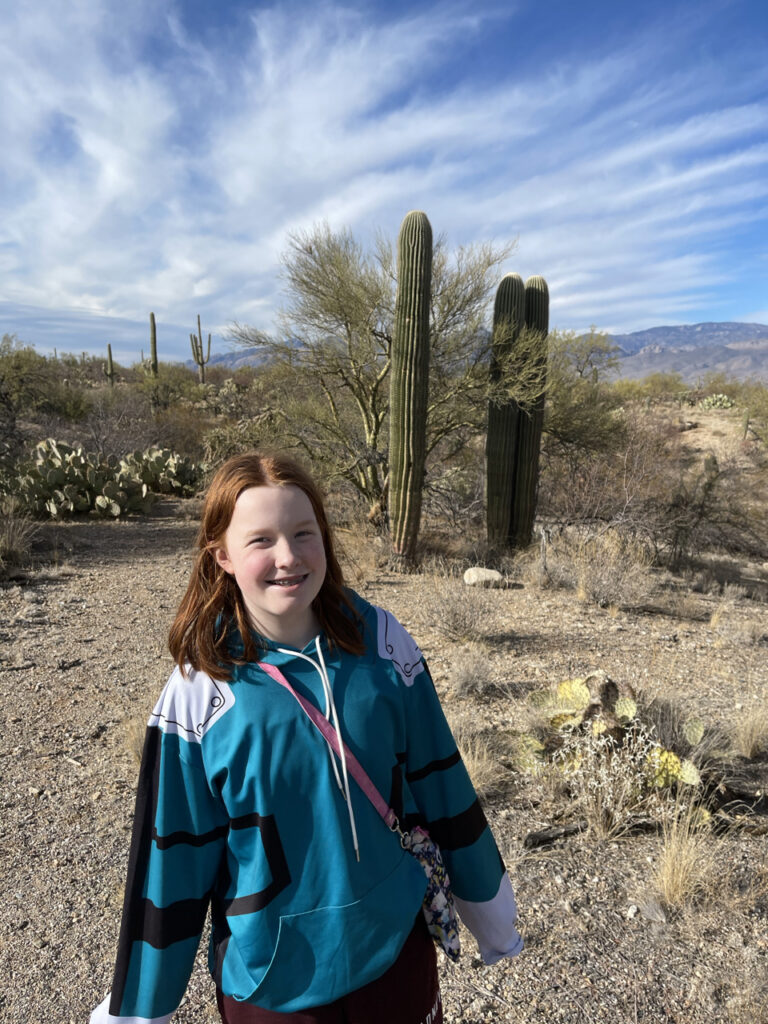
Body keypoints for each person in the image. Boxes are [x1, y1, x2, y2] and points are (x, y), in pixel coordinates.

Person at [90, 451, 523, 1024]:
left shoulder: (385, 646)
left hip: (396, 957)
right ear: (221, 555)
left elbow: (443, 784)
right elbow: (172, 857)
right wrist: (140, 1010)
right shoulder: (200, 691)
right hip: (272, 986)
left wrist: (492, 918)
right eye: (261, 540)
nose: (288, 557)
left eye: (303, 533)